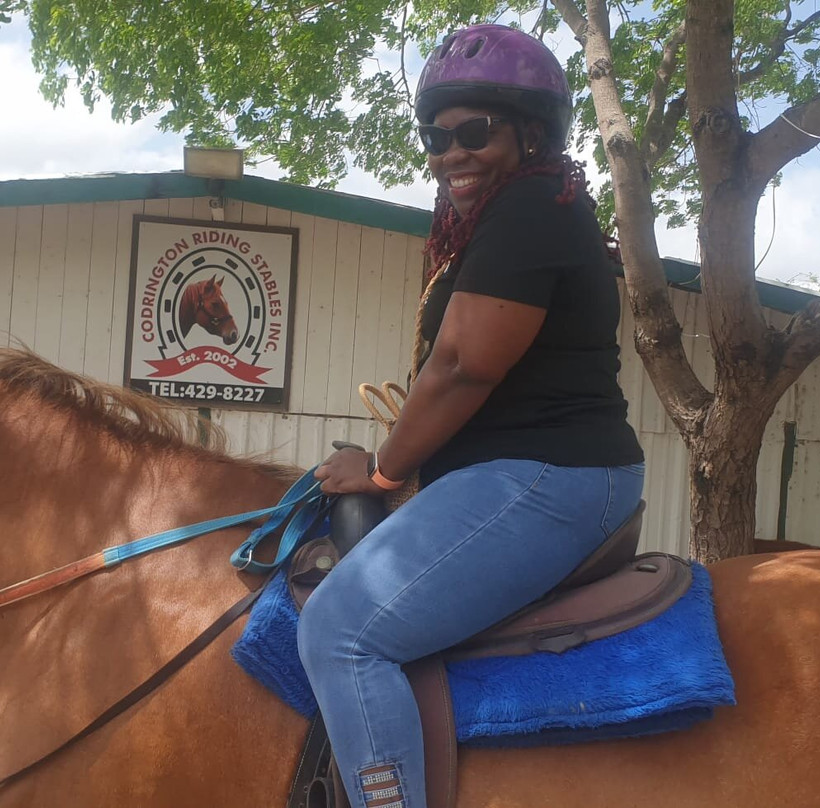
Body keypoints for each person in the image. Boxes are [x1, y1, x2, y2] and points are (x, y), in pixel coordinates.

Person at [297, 24, 645, 808]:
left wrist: (384, 469)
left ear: (530, 134)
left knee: (340, 632)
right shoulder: (515, 211)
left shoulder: (530, 208)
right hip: (525, 472)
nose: (449, 151)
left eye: (473, 131)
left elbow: (462, 365)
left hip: (547, 476)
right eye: (434, 135)